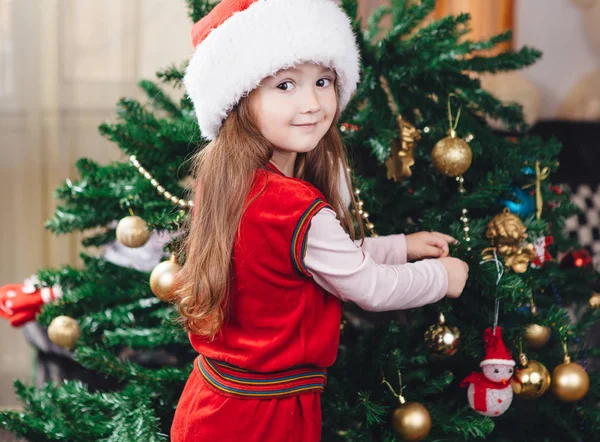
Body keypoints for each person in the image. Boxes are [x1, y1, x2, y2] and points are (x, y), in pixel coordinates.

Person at [171, 1, 469, 441]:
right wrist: (441, 277)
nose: (312, 103)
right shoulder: (290, 203)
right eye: (285, 84)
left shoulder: (234, 187)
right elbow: (368, 286)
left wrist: (401, 246)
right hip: (264, 421)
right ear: (239, 99)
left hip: (212, 405)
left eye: (323, 81)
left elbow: (310, 263)